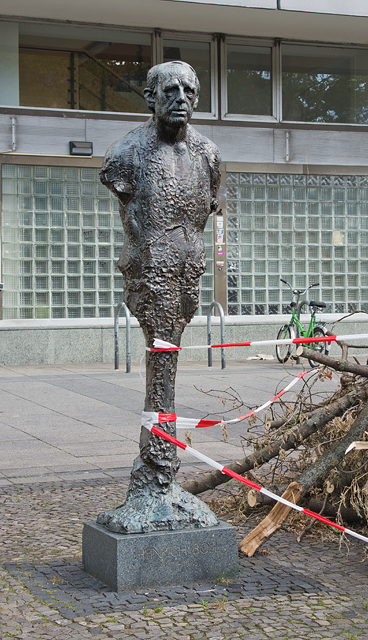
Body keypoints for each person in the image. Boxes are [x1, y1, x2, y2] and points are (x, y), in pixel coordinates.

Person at [97, 61, 220, 533]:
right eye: (170, 90)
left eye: (190, 90)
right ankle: (154, 476)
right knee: (161, 362)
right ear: (149, 97)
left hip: (188, 271)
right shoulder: (127, 154)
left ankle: (161, 479)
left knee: (168, 363)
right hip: (150, 273)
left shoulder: (208, 154)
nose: (181, 99)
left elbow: (205, 211)